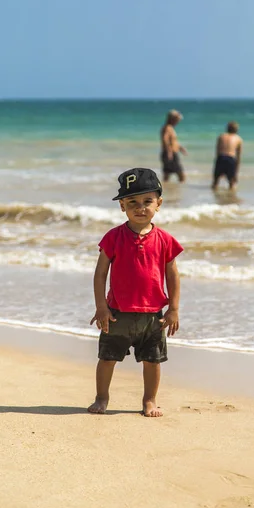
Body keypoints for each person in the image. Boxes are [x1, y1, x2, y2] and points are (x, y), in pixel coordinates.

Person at [88, 168, 183, 417]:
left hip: (153, 316)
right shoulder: (113, 237)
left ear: (159, 204)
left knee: (153, 361)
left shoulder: (165, 240)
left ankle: (149, 401)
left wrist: (173, 309)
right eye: (132, 202)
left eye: (147, 201)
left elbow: (172, 275)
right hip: (117, 313)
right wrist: (101, 307)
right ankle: (102, 397)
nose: (140, 208)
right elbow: (100, 274)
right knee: (108, 358)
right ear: (122, 206)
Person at [211, 121, 243, 191]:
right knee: (232, 183)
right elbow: (238, 157)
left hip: (221, 158)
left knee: (215, 182)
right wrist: (236, 173)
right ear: (236, 130)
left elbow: (217, 152)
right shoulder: (238, 139)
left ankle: (213, 198)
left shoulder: (221, 136)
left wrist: (217, 164)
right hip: (231, 159)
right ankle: (231, 199)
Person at [160, 109, 187, 182]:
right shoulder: (167, 128)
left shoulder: (170, 128)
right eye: (177, 120)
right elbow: (165, 139)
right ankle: (181, 191)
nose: (178, 122)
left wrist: (181, 148)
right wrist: (169, 152)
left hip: (170, 153)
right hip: (170, 153)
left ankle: (164, 190)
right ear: (173, 119)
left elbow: (173, 142)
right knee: (181, 175)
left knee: (167, 175)